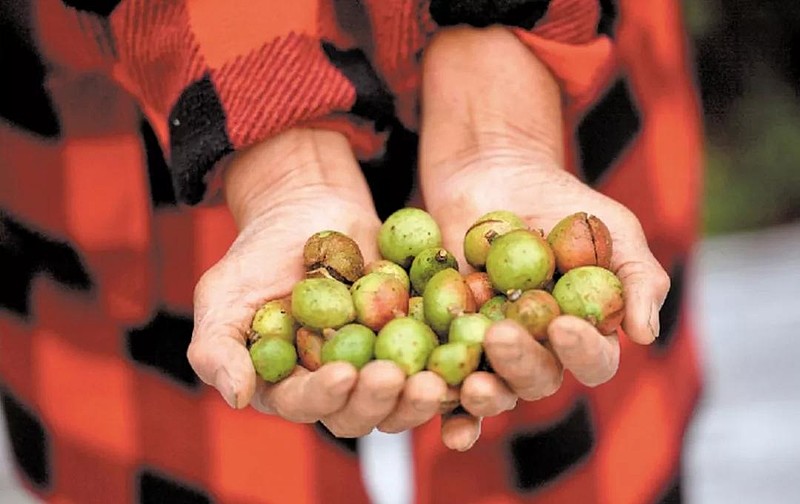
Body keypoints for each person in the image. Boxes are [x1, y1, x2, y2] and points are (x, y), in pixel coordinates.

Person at [0, 0, 703, 502]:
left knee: (581, 473)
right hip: (152, 141)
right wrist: (277, 146)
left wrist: (500, 56)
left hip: (553, 69)